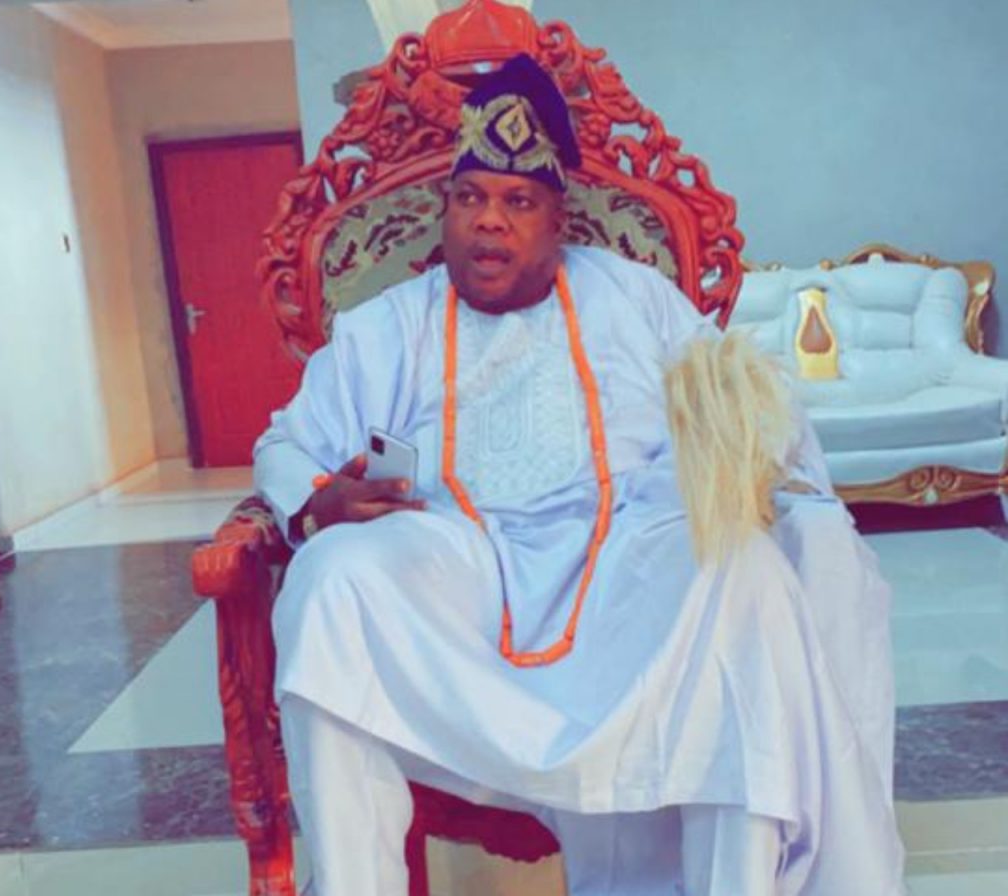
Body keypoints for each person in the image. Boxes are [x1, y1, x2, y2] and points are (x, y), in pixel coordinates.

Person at [255, 53, 905, 896]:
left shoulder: (635, 299)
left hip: (628, 570)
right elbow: (286, 445)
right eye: (470, 199)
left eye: (518, 202)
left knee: (745, 572)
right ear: (443, 209)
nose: (489, 223)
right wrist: (318, 506)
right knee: (331, 579)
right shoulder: (388, 327)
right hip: (457, 569)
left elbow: (749, 413)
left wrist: (744, 448)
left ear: (558, 219)